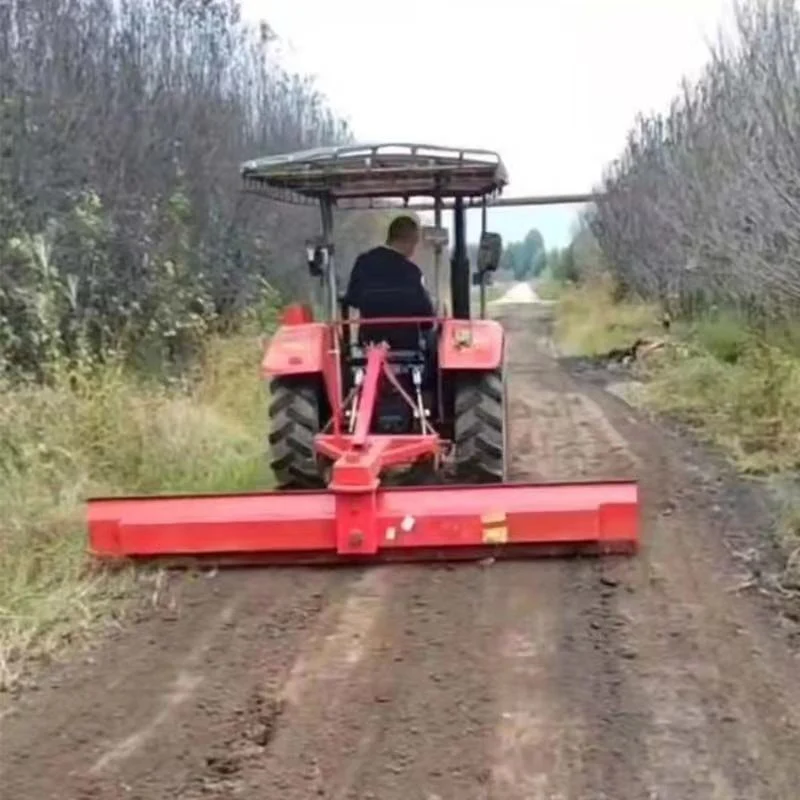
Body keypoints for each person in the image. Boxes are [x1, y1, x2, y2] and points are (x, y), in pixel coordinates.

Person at [343, 215, 435, 351]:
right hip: (406, 347)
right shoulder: (412, 272)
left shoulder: (363, 263)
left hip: (369, 344)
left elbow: (353, 299)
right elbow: (426, 319)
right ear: (410, 241)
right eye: (415, 243)